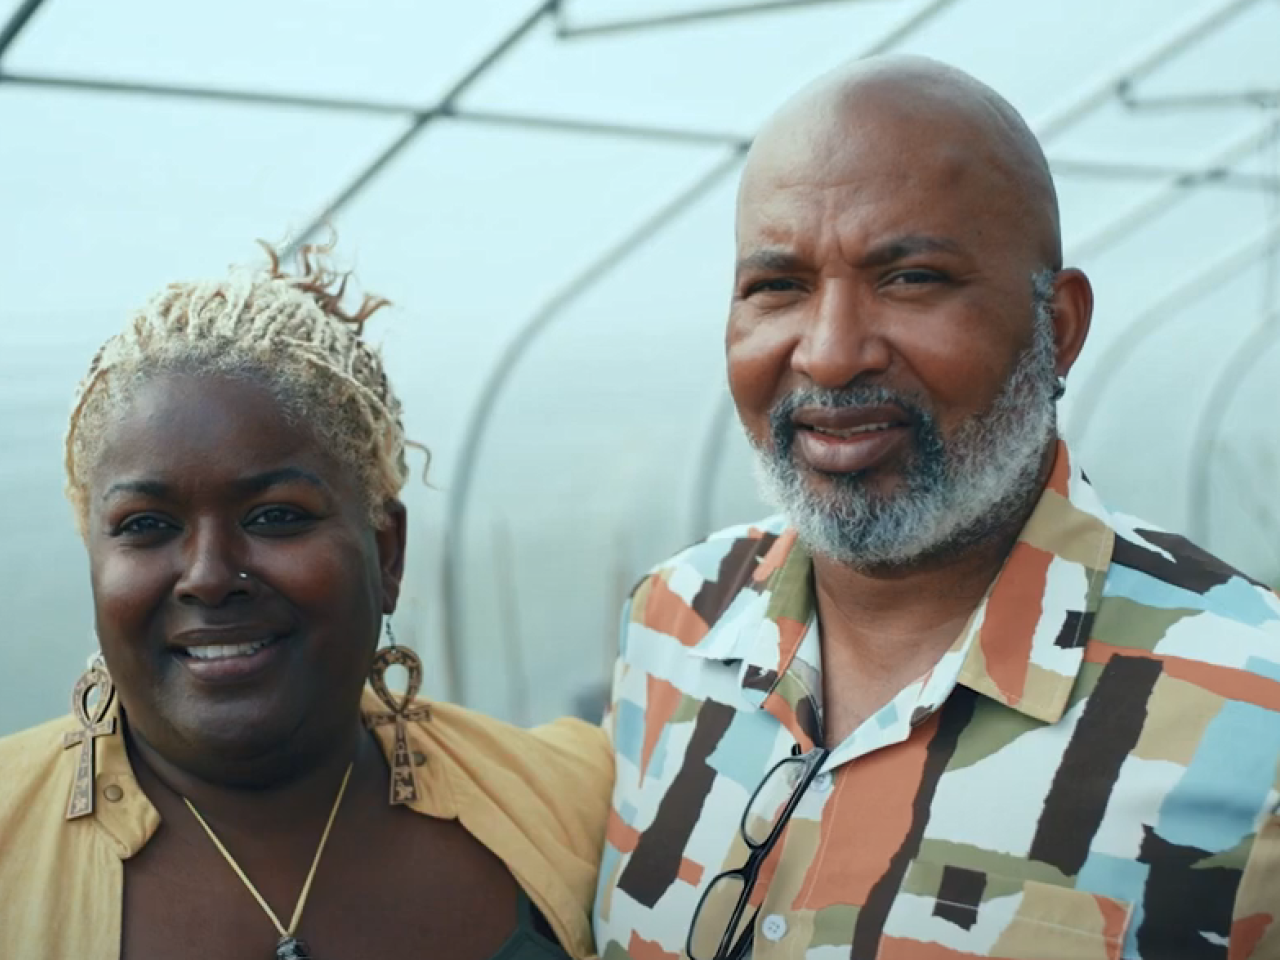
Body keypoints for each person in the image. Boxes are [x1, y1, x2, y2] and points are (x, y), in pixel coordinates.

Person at [594, 55, 1280, 960]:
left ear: (1058, 327)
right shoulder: (676, 621)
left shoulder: (1251, 713)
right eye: (778, 287)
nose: (832, 354)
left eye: (910, 277)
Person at [0, 244, 612, 959]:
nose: (208, 574)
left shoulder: (576, 800)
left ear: (387, 552)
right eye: (147, 526)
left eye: (275, 515)